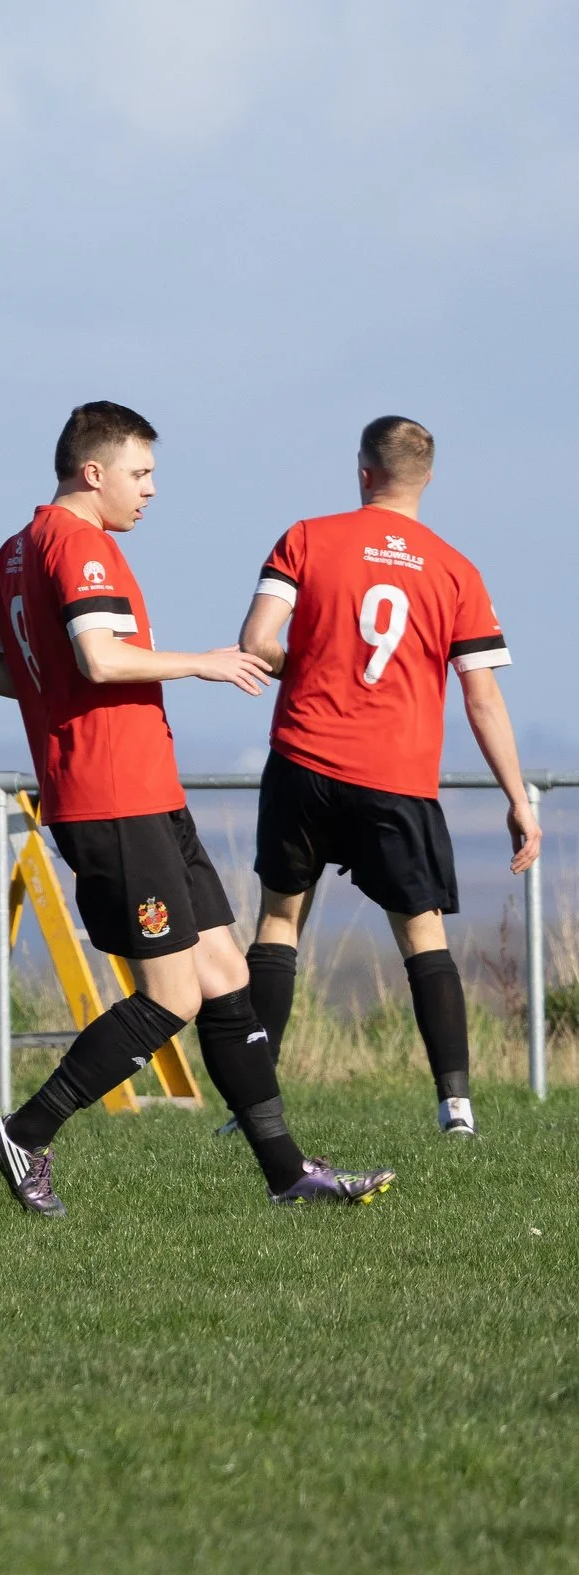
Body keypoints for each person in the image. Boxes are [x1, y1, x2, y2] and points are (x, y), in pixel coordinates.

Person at [0, 400, 393, 1216]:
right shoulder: (78, 544)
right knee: (172, 997)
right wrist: (202, 662)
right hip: (110, 796)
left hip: (146, 793)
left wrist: (57, 680)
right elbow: (97, 654)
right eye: (140, 472)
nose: (151, 490)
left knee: (226, 974)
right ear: (94, 473)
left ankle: (287, 1174)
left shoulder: (18, 549)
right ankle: (26, 1132)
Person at [236, 416, 535, 1137]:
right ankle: (456, 1106)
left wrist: (306, 660)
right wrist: (519, 798)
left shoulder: (306, 537)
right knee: (422, 935)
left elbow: (256, 643)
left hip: (305, 760)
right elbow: (482, 698)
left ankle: (253, 1108)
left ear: (363, 471)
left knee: (280, 921)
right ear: (426, 479)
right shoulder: (457, 570)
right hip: (396, 777)